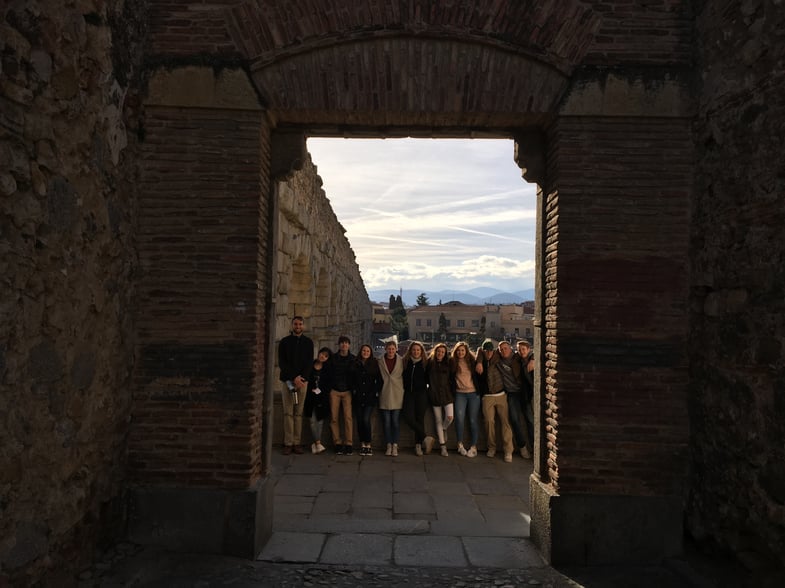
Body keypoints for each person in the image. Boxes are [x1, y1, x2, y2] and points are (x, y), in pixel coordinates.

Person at [277, 316, 314, 455]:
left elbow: (309, 363)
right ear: (292, 325)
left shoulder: (308, 342)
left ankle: (297, 442)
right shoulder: (284, 342)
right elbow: (282, 363)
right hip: (287, 381)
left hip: (303, 382)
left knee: (298, 413)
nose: (298, 326)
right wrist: (294, 377)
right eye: (295, 324)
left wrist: (301, 378)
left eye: (300, 324)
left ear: (303, 326)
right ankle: (288, 443)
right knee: (288, 412)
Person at [475, 339, 514, 463]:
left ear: (494, 351)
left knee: (505, 422)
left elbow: (513, 354)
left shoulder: (499, 357)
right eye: (486, 351)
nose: (488, 353)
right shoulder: (479, 359)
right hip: (487, 396)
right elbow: (479, 352)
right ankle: (491, 447)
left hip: (501, 394)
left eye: (490, 350)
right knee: (489, 422)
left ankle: (508, 450)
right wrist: (480, 361)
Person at [324, 335, 355, 455]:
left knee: (348, 418)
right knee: (334, 418)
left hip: (347, 391)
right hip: (335, 390)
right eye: (342, 343)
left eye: (346, 343)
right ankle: (337, 442)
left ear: (349, 345)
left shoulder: (353, 358)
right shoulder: (333, 358)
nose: (344, 345)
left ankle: (349, 443)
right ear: (339, 345)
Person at [450, 341, 480, 458]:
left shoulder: (472, 362)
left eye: (462, 350)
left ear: (466, 351)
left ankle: (473, 446)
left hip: (473, 394)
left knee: (473, 420)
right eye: (458, 350)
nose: (460, 352)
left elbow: (481, 353)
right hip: (459, 394)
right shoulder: (452, 362)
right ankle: (460, 444)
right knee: (459, 420)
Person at [353, 344, 382, 456]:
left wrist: (375, 392)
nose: (365, 352)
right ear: (361, 352)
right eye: (364, 351)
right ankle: (362, 444)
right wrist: (354, 390)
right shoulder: (355, 363)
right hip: (358, 397)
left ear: (370, 353)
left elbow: (379, 380)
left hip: (369, 397)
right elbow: (351, 379)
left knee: (366, 419)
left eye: (368, 351)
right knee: (359, 420)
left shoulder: (374, 364)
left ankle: (368, 443)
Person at [402, 341, 429, 456]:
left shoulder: (425, 364)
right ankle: (426, 437)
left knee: (420, 419)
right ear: (410, 351)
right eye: (414, 350)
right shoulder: (405, 362)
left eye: (418, 350)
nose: (416, 352)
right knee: (407, 417)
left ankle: (418, 445)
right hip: (409, 393)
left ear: (421, 351)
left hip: (422, 393)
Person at [426, 342, 453, 456]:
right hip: (434, 394)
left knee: (449, 417)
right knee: (438, 419)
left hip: (447, 394)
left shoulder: (449, 364)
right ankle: (443, 446)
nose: (440, 354)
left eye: (442, 352)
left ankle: (444, 428)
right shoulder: (430, 364)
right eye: (438, 351)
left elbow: (452, 379)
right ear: (435, 352)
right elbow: (426, 378)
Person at [378, 338, 404, 457]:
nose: (391, 351)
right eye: (389, 349)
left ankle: (395, 445)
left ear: (396, 349)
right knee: (387, 422)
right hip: (385, 393)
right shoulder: (380, 361)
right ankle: (389, 444)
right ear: (385, 349)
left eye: (393, 349)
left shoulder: (401, 361)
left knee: (395, 422)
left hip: (397, 393)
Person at [304, 347, 331, 454]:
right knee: (312, 421)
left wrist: (320, 390)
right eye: (322, 354)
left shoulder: (327, 369)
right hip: (310, 397)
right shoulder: (310, 366)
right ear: (318, 353)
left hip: (322, 398)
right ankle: (318, 443)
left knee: (320, 422)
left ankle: (316, 444)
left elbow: (328, 384)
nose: (322, 356)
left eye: (325, 356)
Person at [515, 340, 535, 459]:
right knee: (530, 421)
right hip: (525, 397)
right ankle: (533, 448)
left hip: (533, 396)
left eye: (523, 349)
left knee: (532, 422)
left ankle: (535, 449)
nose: (521, 351)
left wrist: (533, 358)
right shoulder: (517, 360)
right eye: (519, 349)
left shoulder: (533, 359)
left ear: (528, 350)